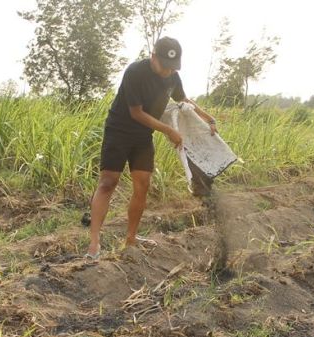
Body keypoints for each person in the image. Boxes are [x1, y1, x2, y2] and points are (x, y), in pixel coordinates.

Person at [85, 37, 218, 260]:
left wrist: (208, 117)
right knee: (108, 182)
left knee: (143, 184)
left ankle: (131, 239)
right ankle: (94, 242)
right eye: (164, 65)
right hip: (119, 131)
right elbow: (136, 113)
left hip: (143, 136)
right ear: (153, 56)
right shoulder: (136, 72)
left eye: (172, 67)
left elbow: (184, 99)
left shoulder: (173, 76)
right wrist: (168, 130)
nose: (168, 71)